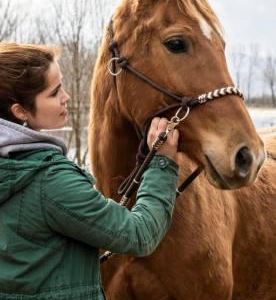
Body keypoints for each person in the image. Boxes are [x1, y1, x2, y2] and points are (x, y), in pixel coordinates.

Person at [0, 42, 179, 300]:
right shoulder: (49, 180)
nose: (66, 97)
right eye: (54, 92)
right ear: (20, 111)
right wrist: (161, 163)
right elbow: (140, 235)